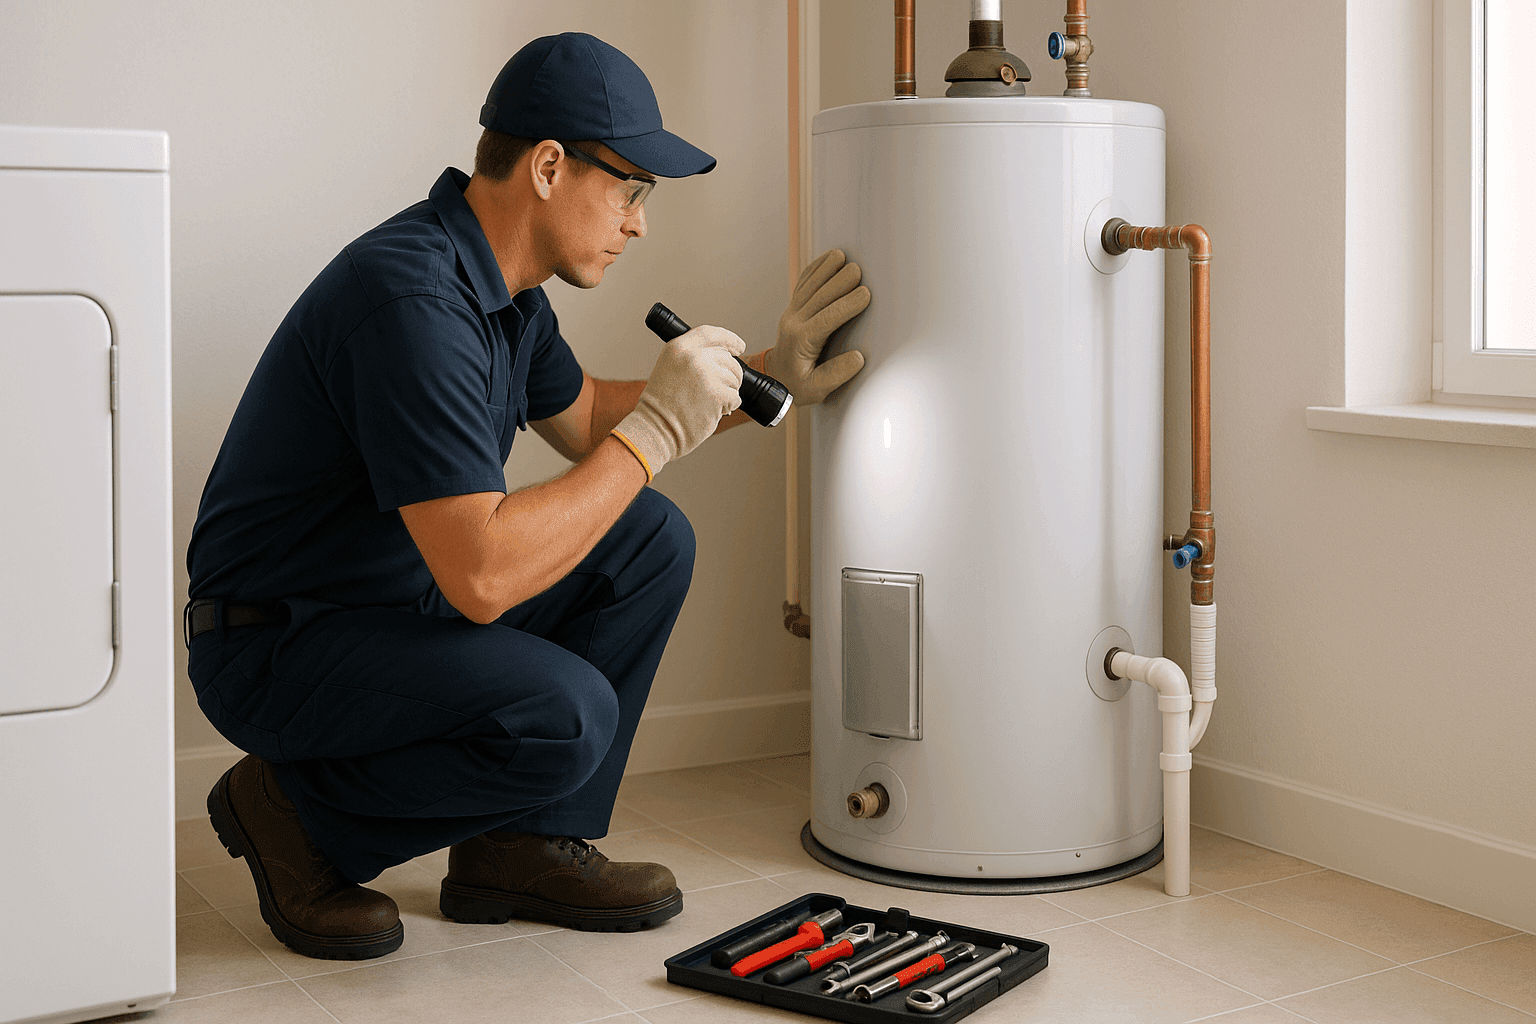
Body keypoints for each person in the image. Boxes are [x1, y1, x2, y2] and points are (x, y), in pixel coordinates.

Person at [183, 31, 869, 962]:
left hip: (391, 606)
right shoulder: (414, 301)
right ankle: (292, 815)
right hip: (279, 643)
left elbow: (584, 420)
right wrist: (656, 434)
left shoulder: (507, 295)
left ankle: (520, 847)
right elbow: (483, 578)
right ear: (549, 167)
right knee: (565, 712)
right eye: (630, 190)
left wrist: (764, 375)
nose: (638, 223)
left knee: (647, 537)